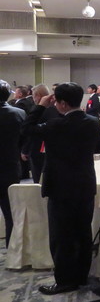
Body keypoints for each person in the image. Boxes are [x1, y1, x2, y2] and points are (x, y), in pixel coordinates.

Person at [21, 82, 100, 295]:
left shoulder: (55, 125)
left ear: (63, 104)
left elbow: (27, 129)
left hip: (61, 187)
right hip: (85, 184)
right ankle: (81, 275)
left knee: (61, 236)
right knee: (83, 231)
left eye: (57, 101)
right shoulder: (93, 121)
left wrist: (40, 106)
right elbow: (99, 148)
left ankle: (66, 280)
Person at [0, 80, 26, 247]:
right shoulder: (19, 113)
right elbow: (24, 139)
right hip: (10, 165)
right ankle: (12, 249)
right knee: (11, 212)